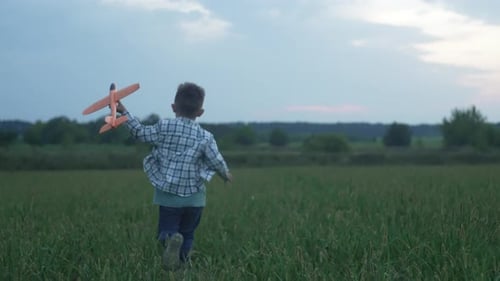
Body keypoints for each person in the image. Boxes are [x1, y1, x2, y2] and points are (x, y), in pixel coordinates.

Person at [116, 82, 232, 270]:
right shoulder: (206, 136)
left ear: (173, 107)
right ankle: (182, 264)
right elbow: (215, 160)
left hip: (168, 195)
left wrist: (124, 112)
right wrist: (225, 174)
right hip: (195, 199)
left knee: (167, 230)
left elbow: (139, 132)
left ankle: (169, 243)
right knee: (188, 233)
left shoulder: (164, 127)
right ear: (200, 112)